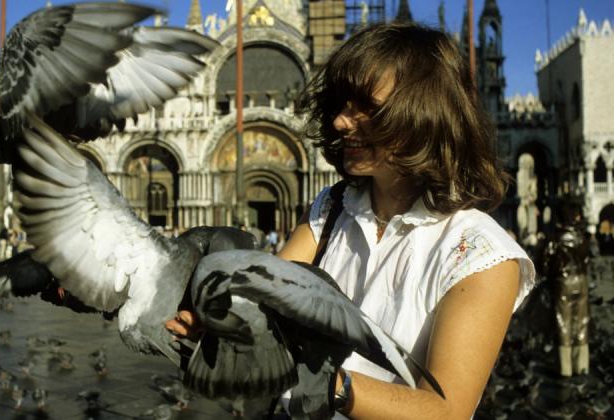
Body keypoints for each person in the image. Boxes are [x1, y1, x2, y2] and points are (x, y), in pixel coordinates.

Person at [166, 23, 535, 418]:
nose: (342, 122)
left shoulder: (481, 254)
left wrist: (329, 384)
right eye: (342, 105)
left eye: (366, 108)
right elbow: (267, 301)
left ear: (425, 114)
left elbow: (445, 411)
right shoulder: (332, 208)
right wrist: (223, 323)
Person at [541, 200, 590, 377]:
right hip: (581, 281)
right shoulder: (582, 237)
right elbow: (586, 260)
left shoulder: (555, 239)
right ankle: (582, 366)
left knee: (563, 321)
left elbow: (545, 265)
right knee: (582, 321)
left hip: (563, 283)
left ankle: (565, 368)